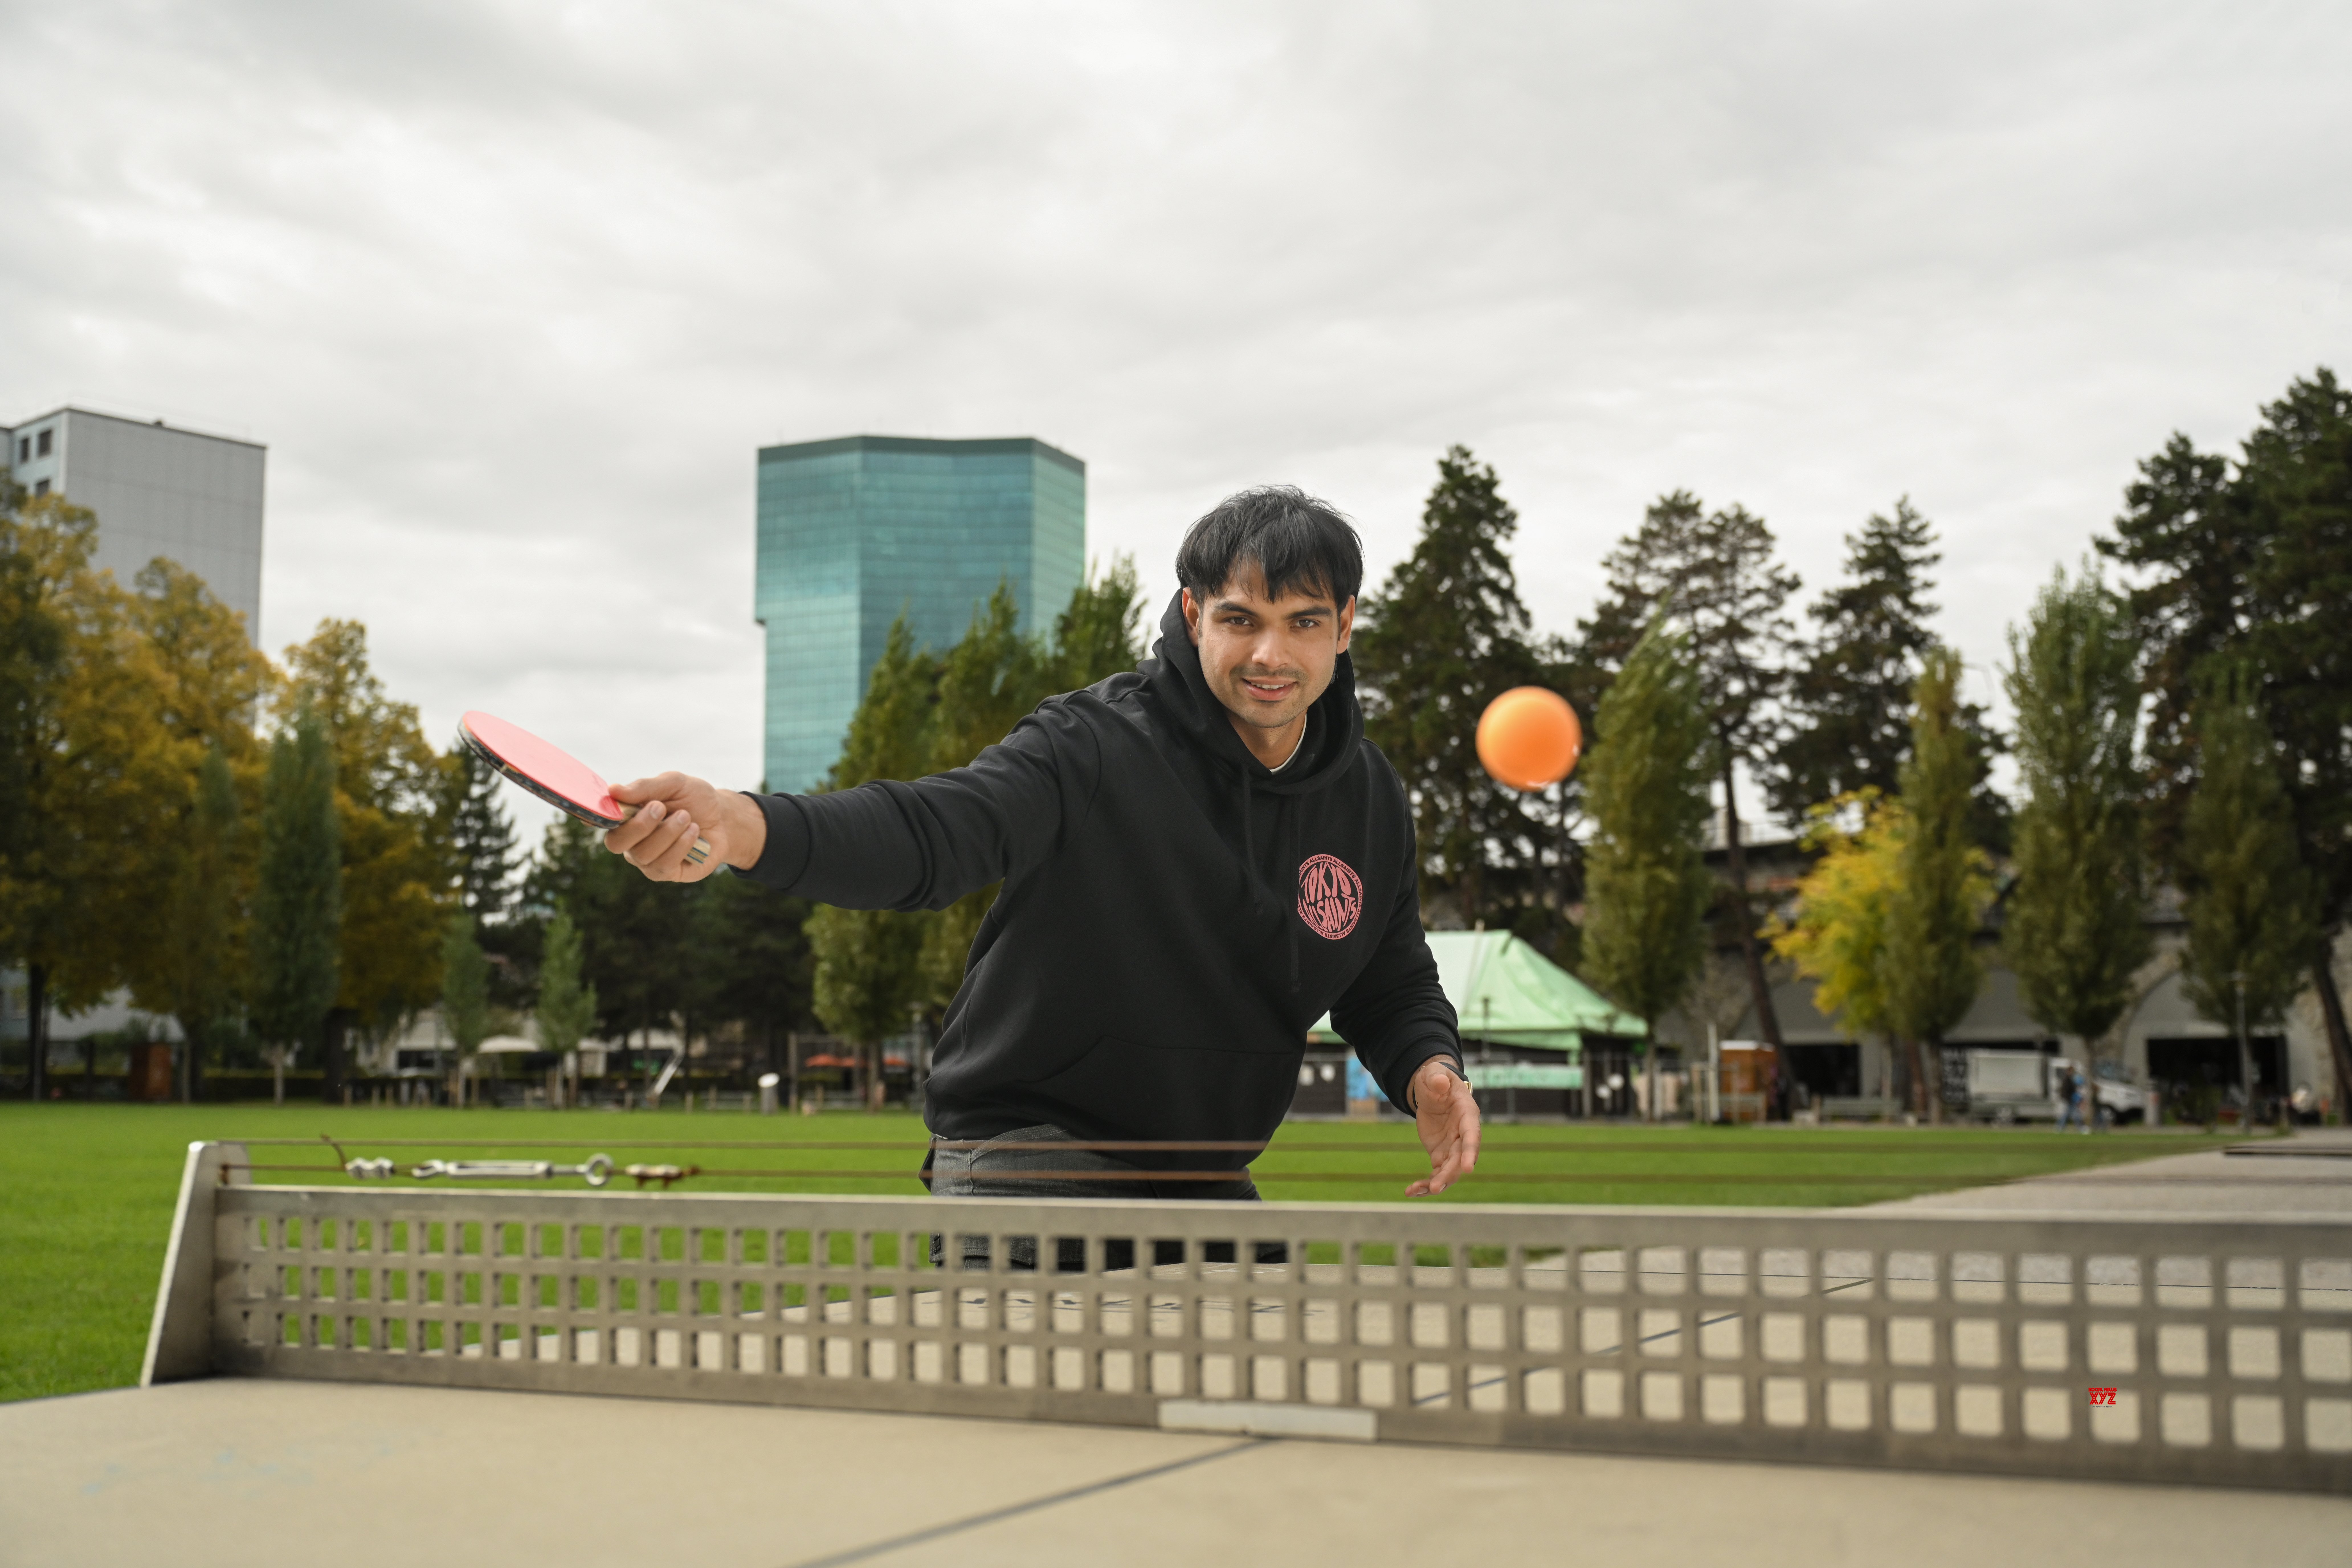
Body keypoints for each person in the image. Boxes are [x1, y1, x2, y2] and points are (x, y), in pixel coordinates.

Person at [602, 486, 1480, 1204]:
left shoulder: (1368, 796)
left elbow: (1389, 979)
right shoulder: (1093, 744)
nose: (1270, 654)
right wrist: (740, 825)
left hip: (1205, 1172)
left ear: (1345, 625)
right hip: (1030, 1155)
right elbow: (932, 832)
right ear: (1193, 614)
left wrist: (1429, 1069)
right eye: (1241, 620)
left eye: (1304, 623)